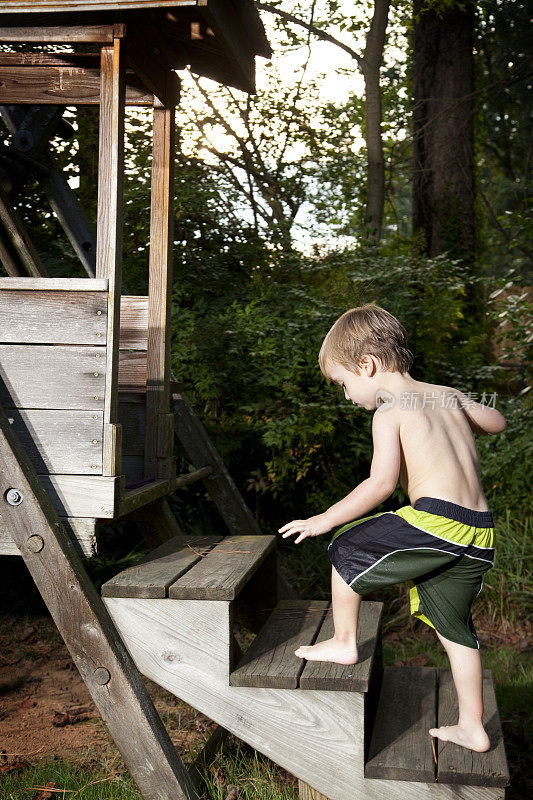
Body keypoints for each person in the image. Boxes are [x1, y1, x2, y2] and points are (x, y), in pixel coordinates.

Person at [278, 303, 506, 753]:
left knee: (347, 546)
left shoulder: (389, 411)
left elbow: (380, 484)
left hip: (439, 522)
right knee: (453, 625)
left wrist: (325, 520)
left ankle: (345, 641)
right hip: (479, 532)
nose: (345, 395)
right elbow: (496, 422)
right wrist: (458, 400)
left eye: (343, 383)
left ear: (368, 365)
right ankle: (473, 726)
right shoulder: (440, 394)